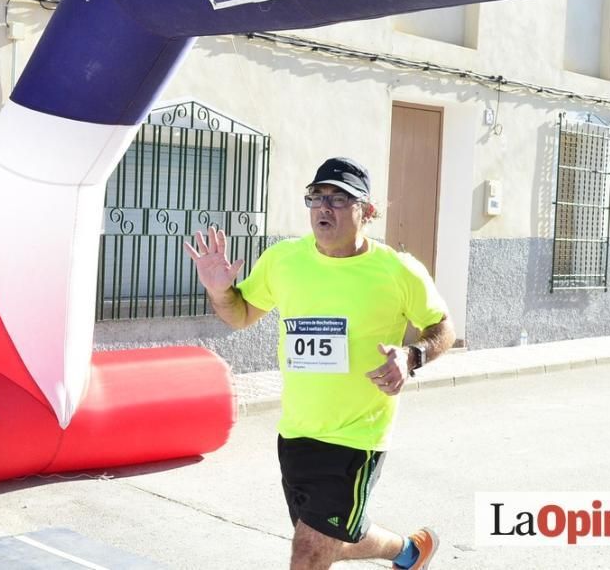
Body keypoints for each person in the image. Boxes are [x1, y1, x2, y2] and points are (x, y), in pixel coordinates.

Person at [183, 157, 455, 570]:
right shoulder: (284, 260)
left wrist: (411, 355)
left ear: (367, 211)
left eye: (340, 198)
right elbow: (239, 315)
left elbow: (443, 327)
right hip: (297, 432)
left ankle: (402, 550)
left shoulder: (397, 270)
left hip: (357, 437)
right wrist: (220, 291)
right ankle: (410, 551)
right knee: (334, 538)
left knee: (309, 550)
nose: (324, 207)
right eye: (317, 197)